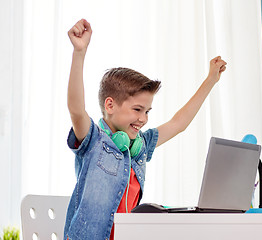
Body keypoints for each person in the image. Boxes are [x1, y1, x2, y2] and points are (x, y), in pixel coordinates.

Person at [64, 19, 227, 240]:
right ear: (110, 105)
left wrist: (211, 80)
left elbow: (179, 123)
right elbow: (76, 109)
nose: (143, 119)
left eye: (147, 111)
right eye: (137, 109)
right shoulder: (93, 140)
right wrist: (79, 52)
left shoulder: (138, 145)